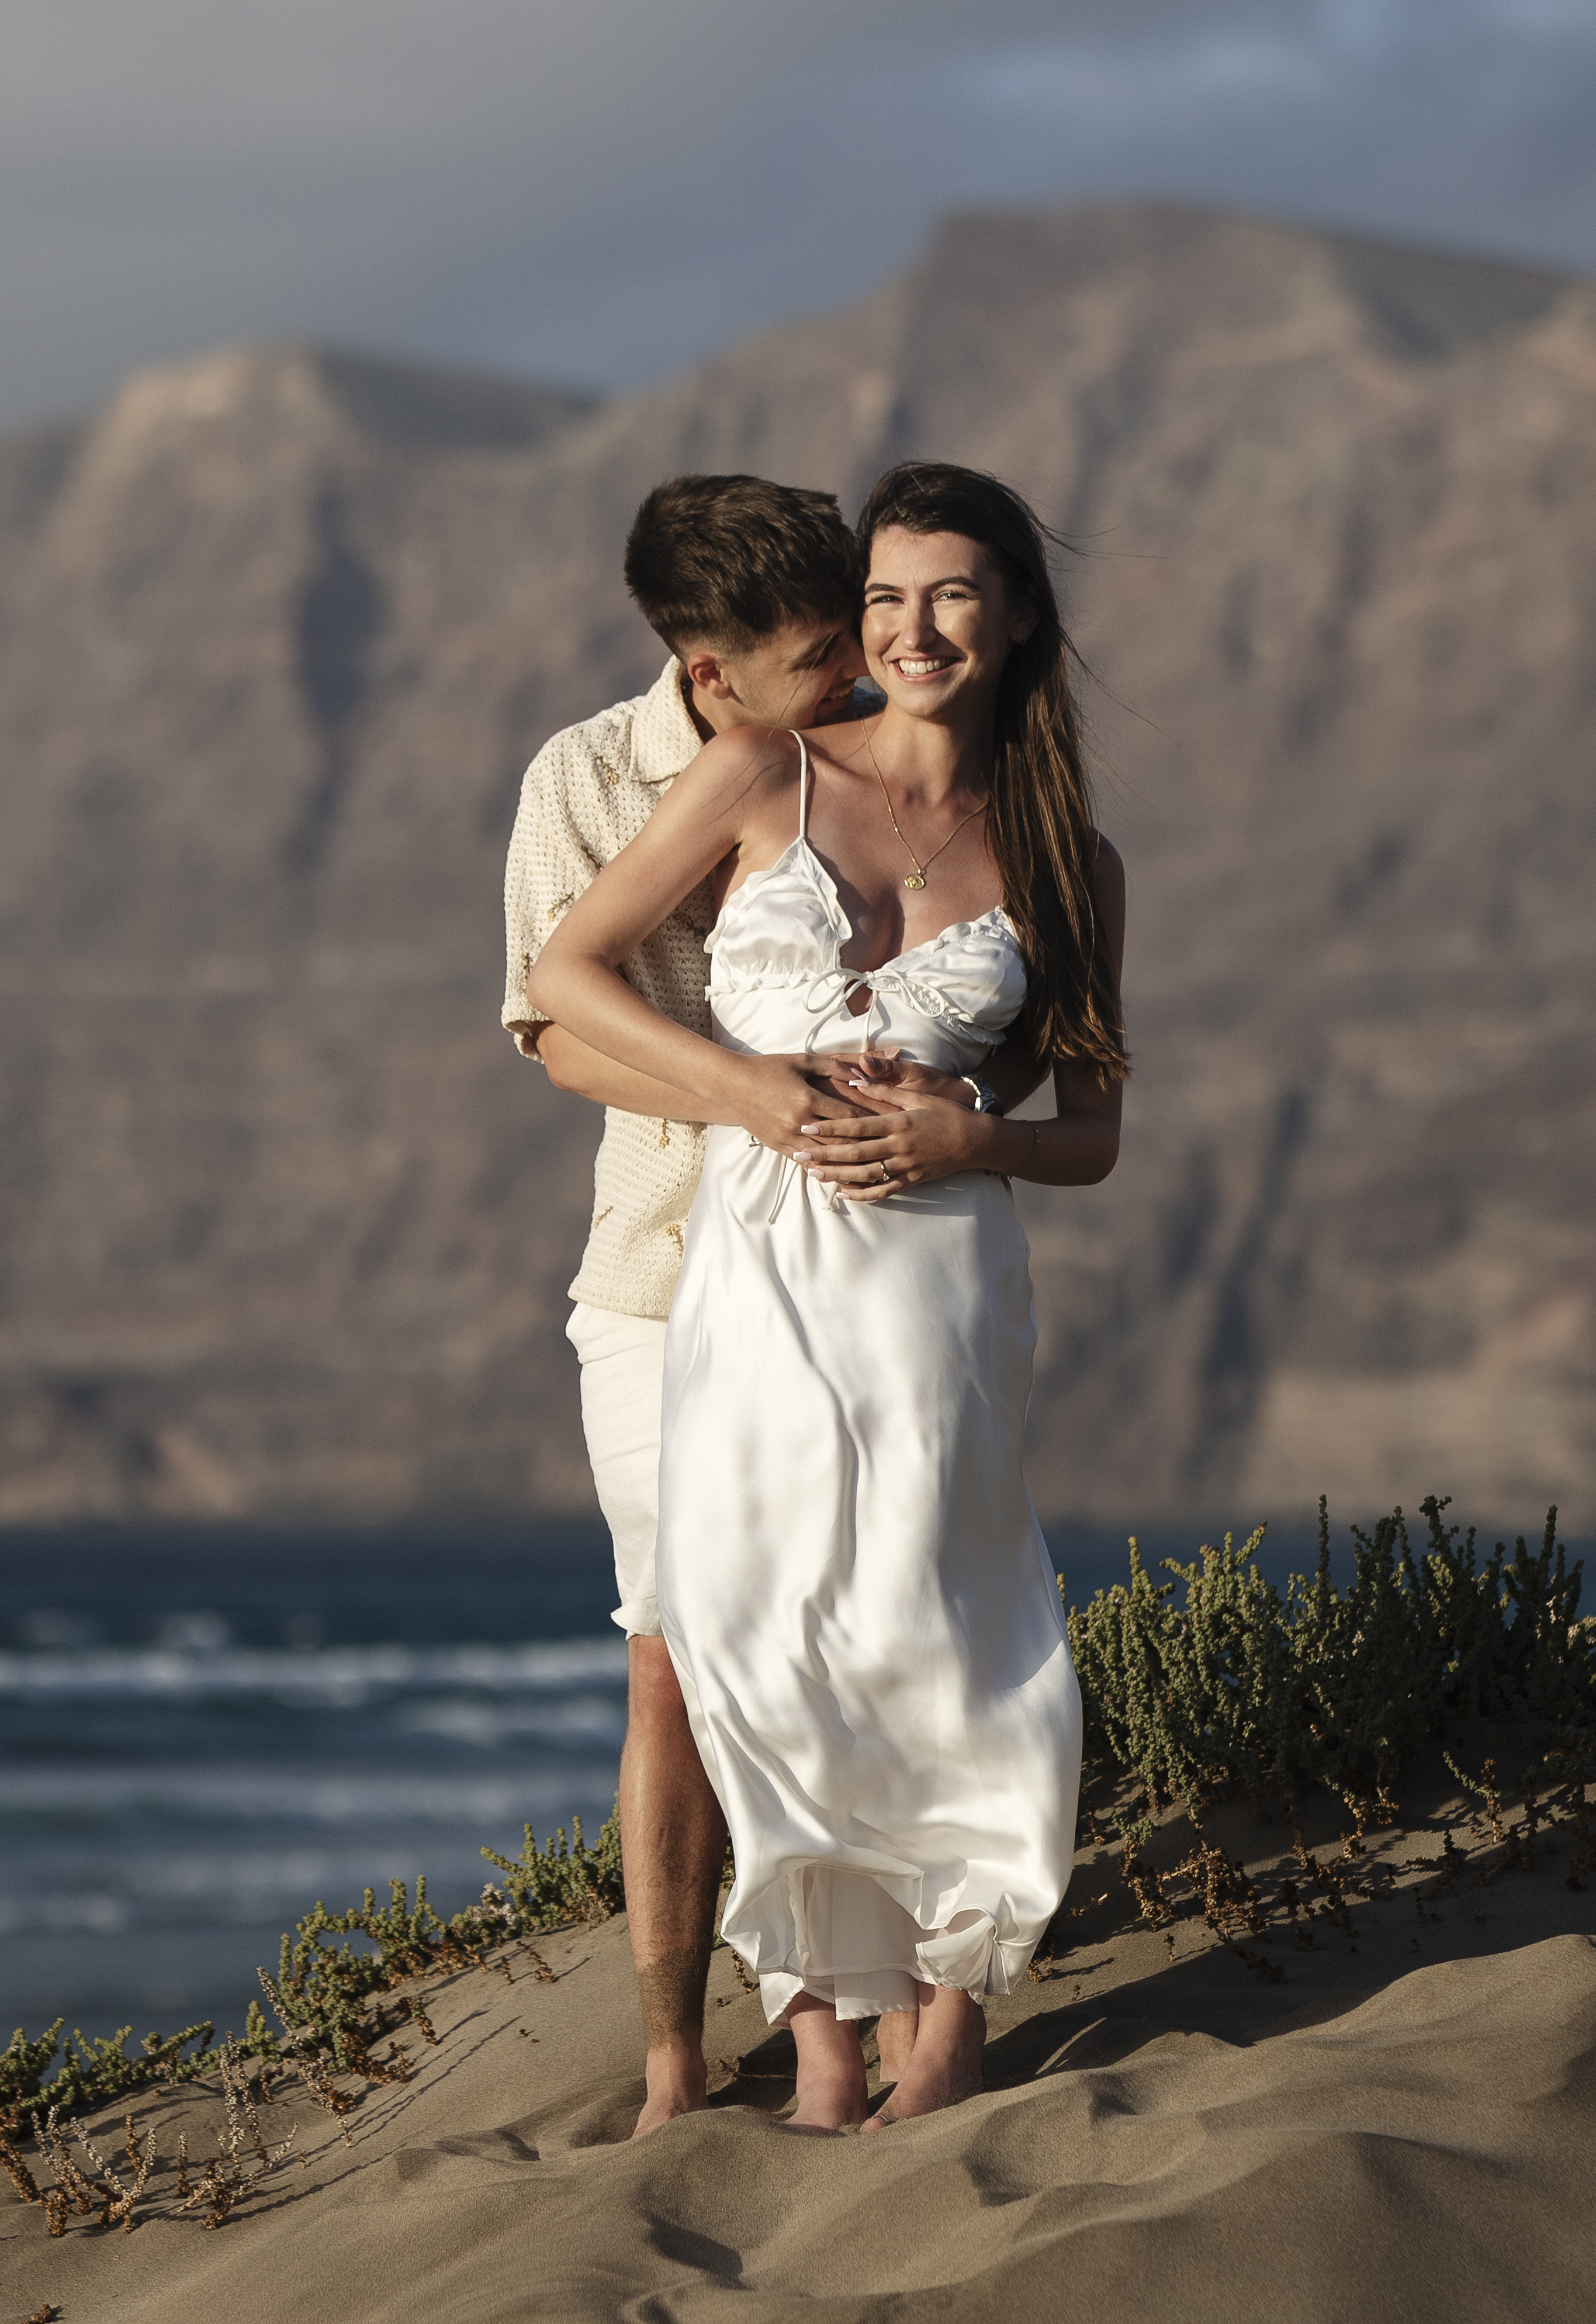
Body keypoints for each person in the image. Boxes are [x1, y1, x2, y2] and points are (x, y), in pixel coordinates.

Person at [524, 460, 1127, 2133]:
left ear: (1012, 618)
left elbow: (1093, 1137)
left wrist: (969, 1131)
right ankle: (816, 2031)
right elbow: (563, 977)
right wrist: (744, 1084)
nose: (910, 629)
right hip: (747, 1278)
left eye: (948, 595)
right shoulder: (754, 769)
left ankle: (950, 2008)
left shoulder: (1068, 856)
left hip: (934, 1288)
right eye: (881, 599)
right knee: (752, 1636)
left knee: (942, 1632)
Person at [498, 474, 877, 2136]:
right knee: (667, 1661)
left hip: (866, 1264)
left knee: (850, 1642)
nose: (853, 676)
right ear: (709, 674)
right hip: (661, 1270)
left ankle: (852, 2020)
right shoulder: (584, 778)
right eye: (812, 659)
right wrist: (752, 1096)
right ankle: (667, 2060)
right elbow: (554, 1029)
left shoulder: (887, 744)